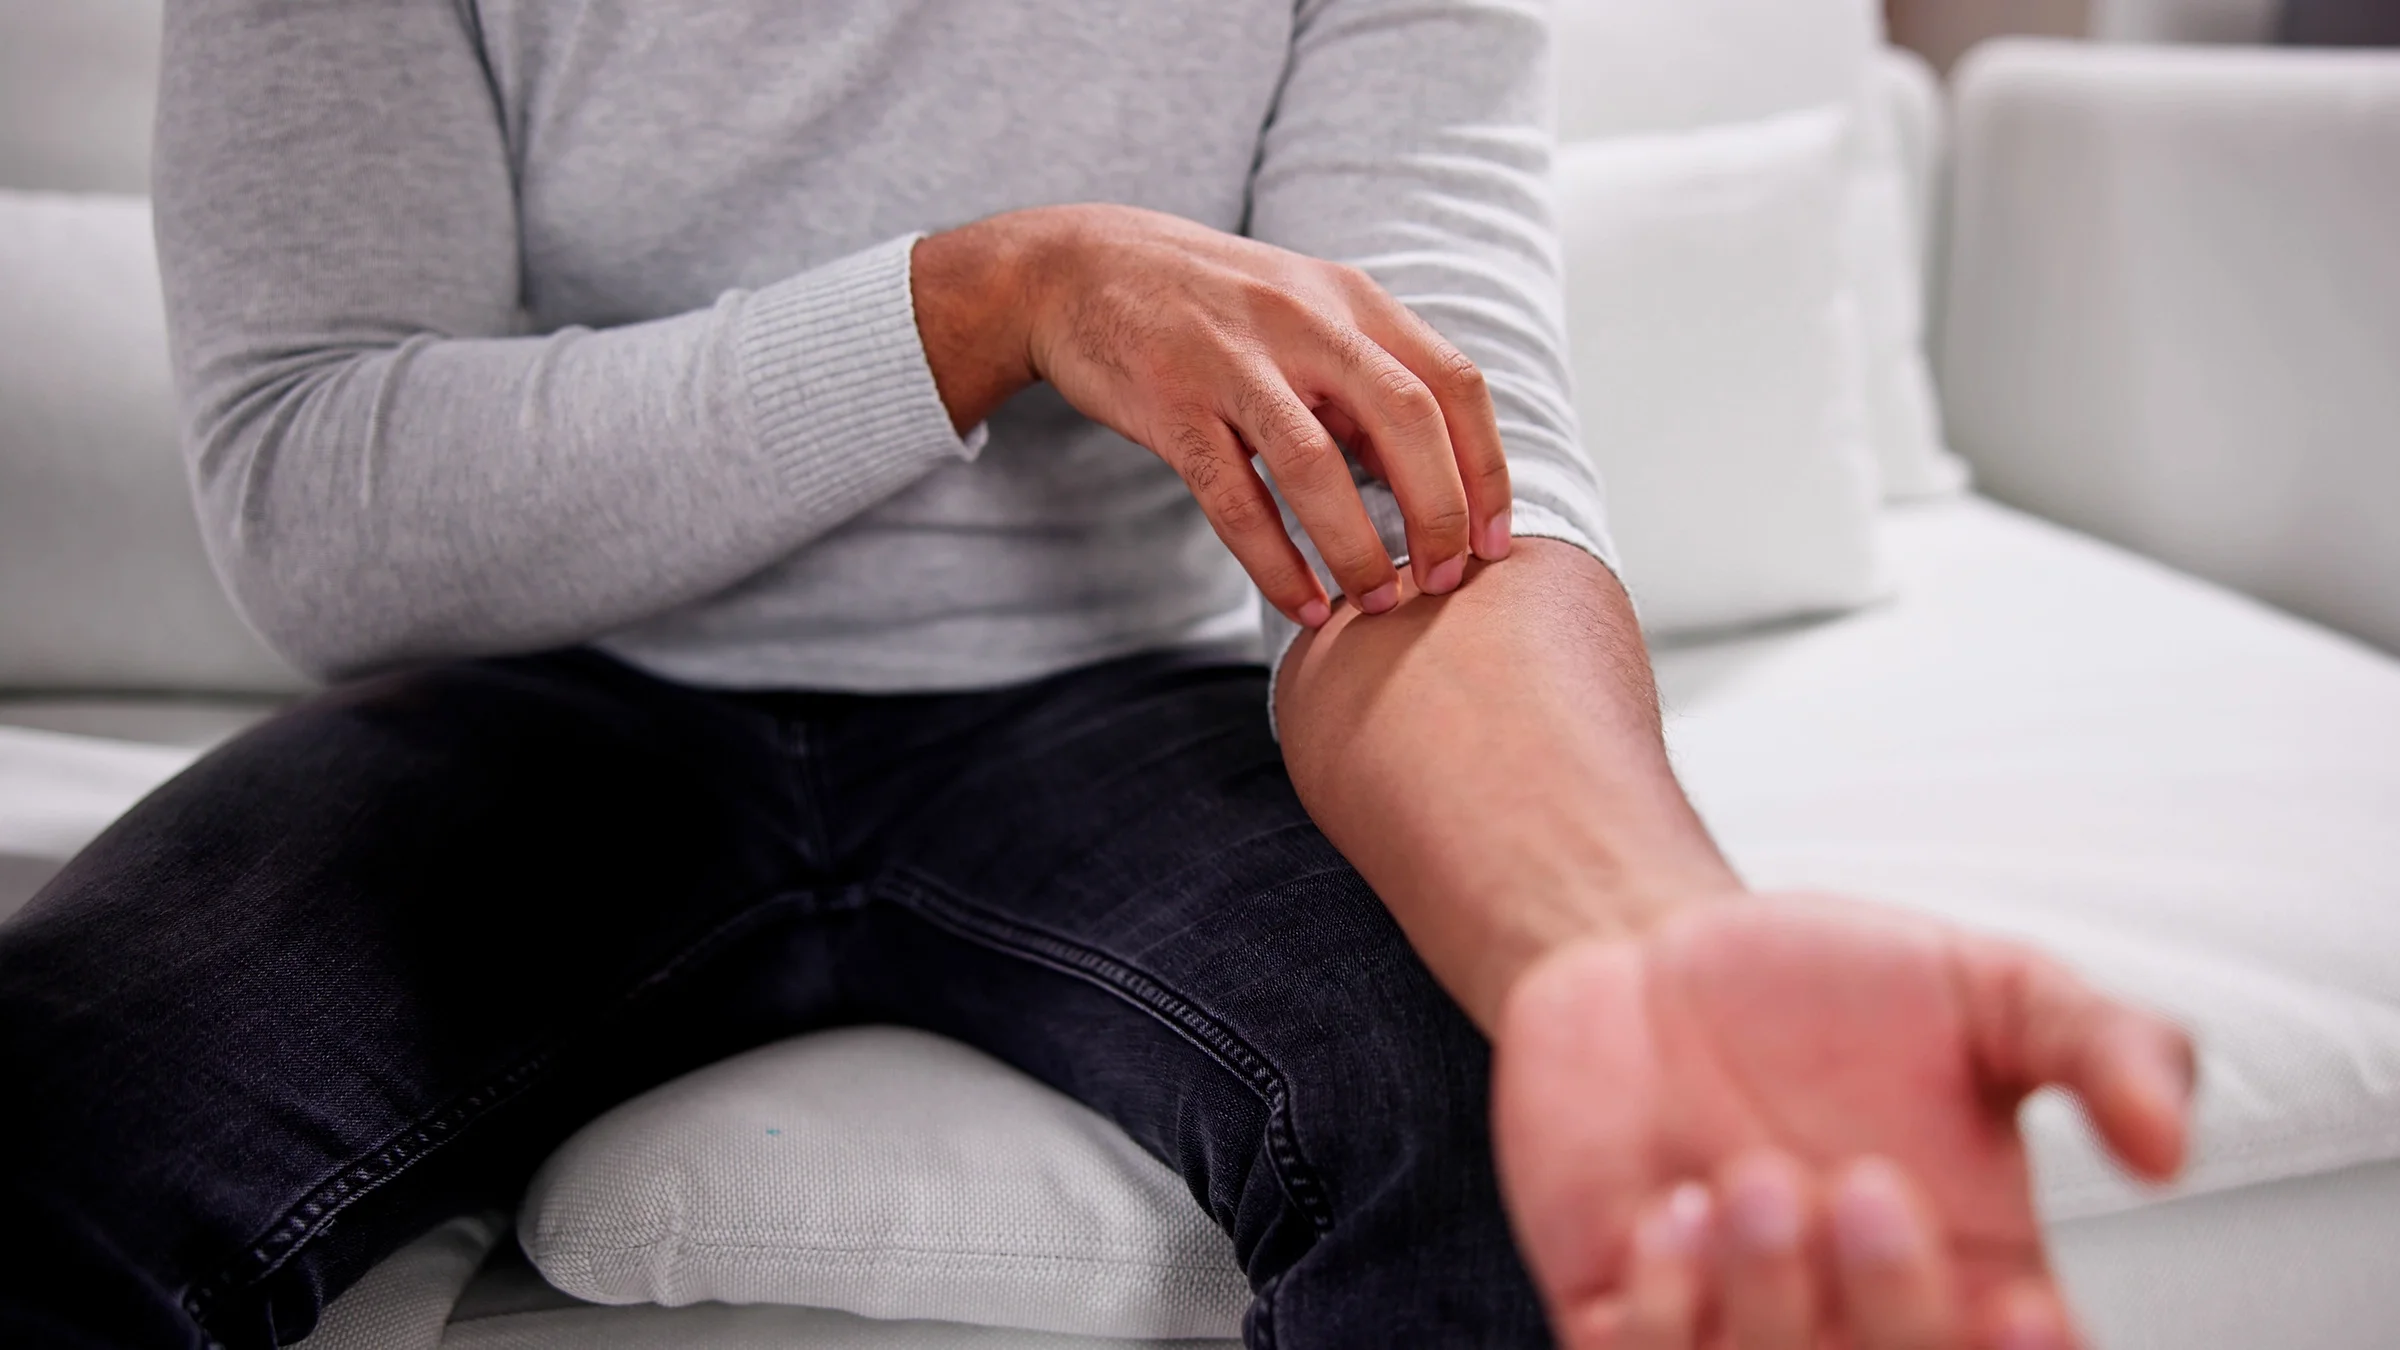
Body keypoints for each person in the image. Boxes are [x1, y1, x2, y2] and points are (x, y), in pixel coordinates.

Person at [0, 1, 2196, 1346]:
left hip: (1114, 704)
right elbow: (325, 503)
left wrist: (1638, 950)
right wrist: (983, 301)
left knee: (1529, 1126)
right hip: (540, 697)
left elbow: (1432, 504)